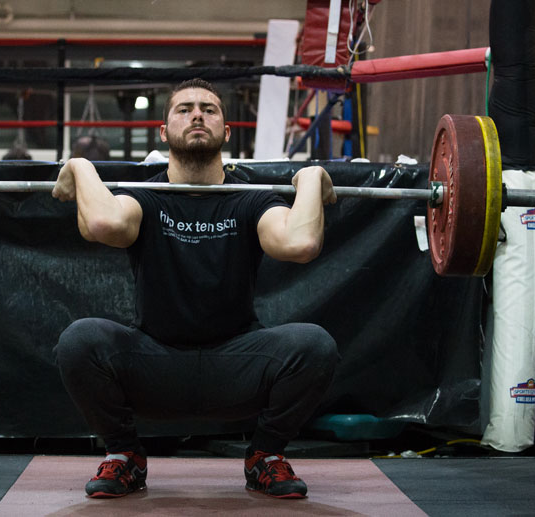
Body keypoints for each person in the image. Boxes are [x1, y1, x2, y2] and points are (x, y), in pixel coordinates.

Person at [51, 78, 339, 499]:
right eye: (184, 109)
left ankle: (265, 456)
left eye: (209, 108)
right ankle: (126, 455)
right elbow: (104, 224)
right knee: (79, 341)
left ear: (226, 131)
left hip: (236, 364)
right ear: (164, 132)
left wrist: (311, 176)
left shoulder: (250, 198)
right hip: (156, 363)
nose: (197, 114)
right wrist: (80, 165)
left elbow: (300, 243)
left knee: (315, 346)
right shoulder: (148, 196)